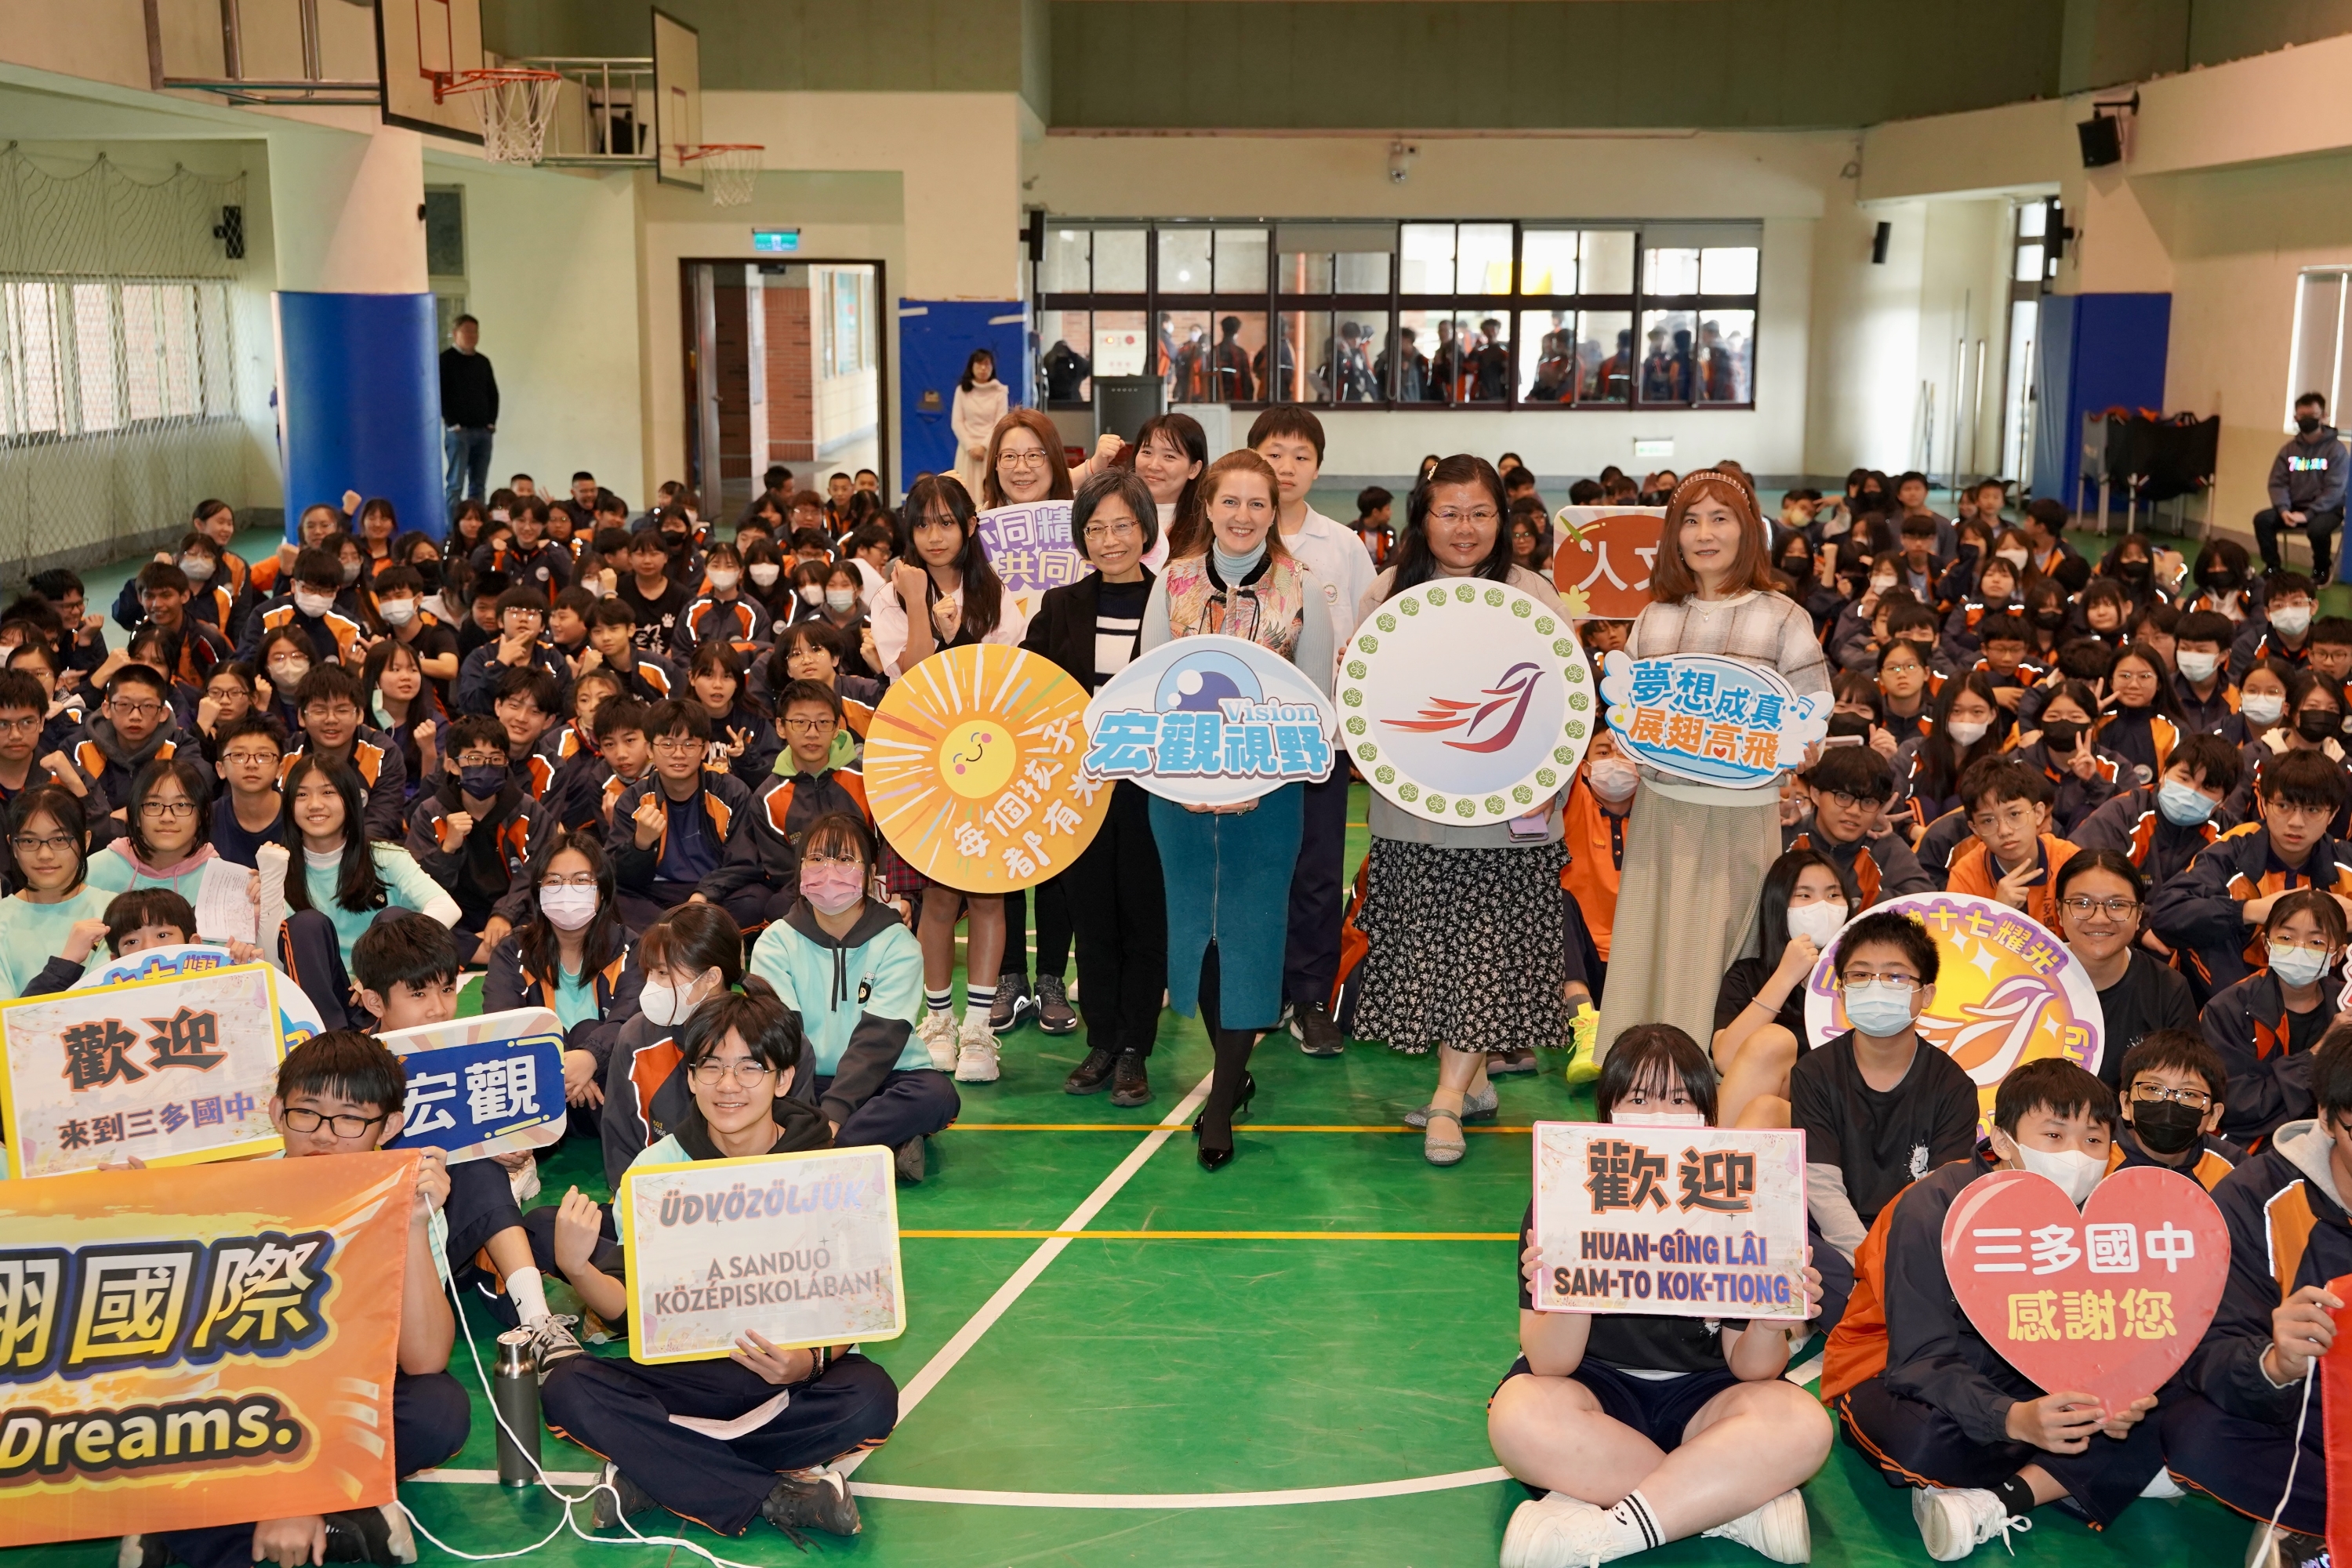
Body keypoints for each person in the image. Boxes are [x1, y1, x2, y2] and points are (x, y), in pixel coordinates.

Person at [538, 985, 898, 1544]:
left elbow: (853, 1298)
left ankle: (657, 1468)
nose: (728, 1085)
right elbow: (630, 1312)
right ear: (691, 1078)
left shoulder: (827, 1168)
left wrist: (806, 1364)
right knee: (567, 1387)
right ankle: (775, 1495)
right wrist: (578, 1267)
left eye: (751, 1068)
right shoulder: (656, 1170)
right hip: (687, 1377)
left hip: (783, 1377)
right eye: (711, 1067)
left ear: (783, 1079)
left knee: (871, 1397)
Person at [1489, 1024, 1829, 1568]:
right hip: (1594, 1391)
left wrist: (1769, 1322)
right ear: (1607, 1112)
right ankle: (1726, 1505)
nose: (1658, 1115)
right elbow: (1550, 1363)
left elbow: (1751, 1370)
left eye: (1678, 1100)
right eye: (1639, 1099)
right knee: (1518, 1417)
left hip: (1706, 1399)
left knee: (1803, 1425)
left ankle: (1609, 1527)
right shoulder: (1562, 1194)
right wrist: (1572, 1288)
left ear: (1706, 1115)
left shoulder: (1740, 1199)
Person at [138, 1032, 468, 1568]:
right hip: (243, 1402)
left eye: (350, 1119)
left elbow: (424, 1359)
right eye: (307, 1113)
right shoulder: (227, 1192)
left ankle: (192, 1527)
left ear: (389, 1127)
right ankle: (342, 1518)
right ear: (276, 1112)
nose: (324, 1135)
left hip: (345, 1400)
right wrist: (130, 1218)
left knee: (438, 1409)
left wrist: (409, 1222)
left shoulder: (408, 1198)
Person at [1824, 1058, 2160, 1559]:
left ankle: (1999, 1499)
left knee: (2159, 1408)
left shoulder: (2105, 1216)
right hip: (1897, 1367)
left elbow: (2102, 1332)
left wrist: (2114, 1396)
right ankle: (2060, 1468)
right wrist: (2012, 1419)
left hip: (2032, 1375)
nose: (2076, 1156)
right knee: (1920, 1440)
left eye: (2093, 1140)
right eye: (2053, 1135)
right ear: (2003, 1141)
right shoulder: (1932, 1206)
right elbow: (1918, 1358)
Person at [1349, 456, 1572, 1165]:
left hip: (1507, 817)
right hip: (1414, 817)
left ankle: (1447, 1098)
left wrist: (1550, 780)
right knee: (1430, 957)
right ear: (1423, 519)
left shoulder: (1532, 594)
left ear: (1503, 521)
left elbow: (1566, 702)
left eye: (1480, 513)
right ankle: (1473, 1084)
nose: (1465, 528)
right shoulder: (1389, 593)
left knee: (1485, 954)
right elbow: (1363, 701)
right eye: (1449, 513)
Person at [1141, 448, 1334, 1168]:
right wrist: (1183, 778)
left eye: (1258, 503)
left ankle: (1220, 1101)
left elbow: (1315, 706)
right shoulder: (1174, 583)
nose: (1243, 516)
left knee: (1252, 938)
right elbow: (1151, 692)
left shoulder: (1301, 586)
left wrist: (1264, 775)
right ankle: (1232, 1077)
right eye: (1230, 502)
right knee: (1198, 937)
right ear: (1208, 506)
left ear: (1273, 511)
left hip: (1269, 796)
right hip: (1180, 794)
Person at [1599, 470, 1832, 1056]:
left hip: (1741, 817)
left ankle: (1712, 1067)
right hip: (1661, 813)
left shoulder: (1783, 616)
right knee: (1652, 941)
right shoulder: (1654, 617)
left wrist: (1805, 746)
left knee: (1725, 945)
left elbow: (1813, 721)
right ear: (1674, 537)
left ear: (1747, 531)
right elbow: (1630, 715)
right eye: (1691, 521)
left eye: (1720, 519)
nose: (1705, 534)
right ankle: (1643, 1067)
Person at [2164, 1029, 2352, 1566]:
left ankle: (2310, 1527)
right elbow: (2211, 1345)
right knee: (2199, 1434)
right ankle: (2314, 1527)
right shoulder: (2256, 1197)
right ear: (2327, 1117)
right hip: (2308, 1423)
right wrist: (2275, 1362)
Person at [870, 474, 1029, 1077]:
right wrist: (917, 603)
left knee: (987, 892)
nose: (934, 535)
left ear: (969, 527)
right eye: (921, 524)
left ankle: (979, 1031)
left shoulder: (995, 594)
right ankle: (938, 1021)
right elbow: (912, 672)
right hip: (922, 760)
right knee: (936, 895)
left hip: (989, 758)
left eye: (945, 522)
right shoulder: (892, 596)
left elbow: (1006, 677)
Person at [1018, 468, 1167, 1105]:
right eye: (1097, 528)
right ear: (1082, 537)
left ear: (1145, 531)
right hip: (1078, 790)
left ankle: (1136, 1049)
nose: (1110, 540)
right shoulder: (1061, 606)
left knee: (1145, 920)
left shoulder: (1174, 603)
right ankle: (1103, 1041)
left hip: (1152, 790)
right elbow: (1025, 687)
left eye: (1123, 526)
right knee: (1092, 920)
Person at [1243, 406, 1375, 1055]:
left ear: (1318, 467)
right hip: (1249, 739)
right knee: (1258, 871)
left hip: (1322, 738)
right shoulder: (1238, 540)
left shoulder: (1342, 546)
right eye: (1274, 453)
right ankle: (1259, 991)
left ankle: (1312, 998)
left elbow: (1368, 632)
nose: (1287, 467)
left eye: (1301, 455)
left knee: (1318, 873)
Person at [746, 810, 957, 1180]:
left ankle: (818, 1149)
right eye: (816, 859)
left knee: (936, 1095)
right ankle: (881, 1146)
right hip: (804, 1079)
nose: (829, 871)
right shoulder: (775, 942)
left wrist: (832, 1118)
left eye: (845, 859)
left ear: (869, 872)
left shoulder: (897, 943)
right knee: (759, 1092)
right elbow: (783, 1038)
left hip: (885, 1075)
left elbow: (879, 1041)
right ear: (800, 870)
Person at [1792, 909, 1979, 1264]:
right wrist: (1869, 1261)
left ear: (1926, 994)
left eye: (1895, 976)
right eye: (1860, 975)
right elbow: (1821, 1188)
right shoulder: (1814, 1073)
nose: (1875, 986)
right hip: (1836, 1242)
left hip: (1914, 1241)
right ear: (1842, 991)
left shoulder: (1953, 1087)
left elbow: (1939, 1196)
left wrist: (1894, 1263)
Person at [2150, 748, 2352, 1000]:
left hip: (2320, 1002)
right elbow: (2166, 914)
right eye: (2283, 806)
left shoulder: (2346, 863)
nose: (2296, 822)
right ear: (2264, 804)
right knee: (2212, 928)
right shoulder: (2233, 850)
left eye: (2312, 810)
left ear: (2332, 814)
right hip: (2228, 999)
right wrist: (2249, 911)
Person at [275, 756, 461, 1027]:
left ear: (351, 799)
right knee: (305, 924)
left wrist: (375, 970)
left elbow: (447, 907)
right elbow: (271, 956)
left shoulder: (384, 857)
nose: (315, 804)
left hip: (379, 1000)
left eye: (328, 792)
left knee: (395, 919)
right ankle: (327, 1041)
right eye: (302, 795)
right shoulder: (277, 867)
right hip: (319, 1004)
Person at [483, 828, 642, 1131]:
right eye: (554, 881)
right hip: (538, 1083)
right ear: (538, 891)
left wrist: (591, 1057)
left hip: (607, 1085)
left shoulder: (630, 948)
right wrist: (566, 1065)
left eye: (581, 880)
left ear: (603, 890)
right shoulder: (513, 950)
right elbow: (501, 1023)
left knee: (591, 1031)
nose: (566, 890)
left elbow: (632, 1017)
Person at [692, 679, 869, 931]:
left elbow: (886, 845)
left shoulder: (866, 780)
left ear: (837, 727)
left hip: (867, 885)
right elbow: (785, 872)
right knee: (777, 907)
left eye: (823, 722)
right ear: (781, 727)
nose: (812, 733)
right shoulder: (767, 798)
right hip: (808, 892)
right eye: (800, 722)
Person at [2199, 887, 2345, 1148]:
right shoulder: (2227, 1010)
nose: (2300, 950)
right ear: (2267, 945)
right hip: (2250, 1149)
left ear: (2339, 955)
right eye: (2286, 938)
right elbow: (2237, 1105)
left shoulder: (2345, 1006)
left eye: (2316, 942)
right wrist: (2318, 1053)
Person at [1712, 848, 1846, 1131]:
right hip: (1781, 1118)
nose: (1822, 906)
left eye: (1833, 895)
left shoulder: (1862, 979)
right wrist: (1785, 977)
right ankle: (1718, 1156)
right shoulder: (1748, 976)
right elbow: (1725, 1059)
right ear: (1779, 905)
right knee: (1772, 1047)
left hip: (1843, 1115)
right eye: (1805, 895)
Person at [2051, 849, 2195, 1091]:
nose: (2099, 919)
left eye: (2117, 905)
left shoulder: (2168, 989)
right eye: (2082, 904)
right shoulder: (2026, 975)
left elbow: (2182, 1086)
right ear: (2059, 911)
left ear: (2138, 915)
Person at [2069, 731, 2241, 893]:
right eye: (2184, 778)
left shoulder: (2232, 837)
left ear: (2224, 800)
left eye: (2208, 788)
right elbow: (2078, 874)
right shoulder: (2123, 814)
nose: (2191, 792)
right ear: (2164, 773)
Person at [1783, 745, 1933, 909]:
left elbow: (1924, 901)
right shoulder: (1783, 838)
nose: (1854, 811)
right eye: (1843, 797)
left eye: (1868, 802)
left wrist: (1863, 910)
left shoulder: (1886, 848)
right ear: (1816, 794)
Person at [0, 786, 111, 995]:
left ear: (85, 841)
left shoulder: (114, 911)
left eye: (60, 840)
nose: (45, 854)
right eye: (29, 841)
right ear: (13, 846)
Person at [2110, 1028, 2243, 1185]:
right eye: (2153, 1089)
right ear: (2125, 1103)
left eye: (2189, 1094)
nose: (2169, 1104)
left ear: (2214, 1116)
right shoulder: (2096, 1157)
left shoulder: (2237, 1173)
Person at [2257, 391, 2349, 579]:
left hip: (2327, 510)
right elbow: (2278, 483)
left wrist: (2308, 514)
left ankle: (2321, 569)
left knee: (2317, 530)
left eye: (2312, 415)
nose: (2306, 420)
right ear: (2295, 418)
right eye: (2302, 416)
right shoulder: (2289, 450)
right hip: (2293, 507)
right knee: (2262, 520)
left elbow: (2334, 490)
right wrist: (2283, 509)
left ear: (2323, 416)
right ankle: (2273, 567)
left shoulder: (2336, 450)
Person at [441, 313, 498, 507]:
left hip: (483, 431)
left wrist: (491, 422)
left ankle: (478, 522)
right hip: (459, 432)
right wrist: (452, 423)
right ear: (455, 333)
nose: (472, 336)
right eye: (467, 331)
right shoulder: (445, 360)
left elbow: (493, 393)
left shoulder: (483, 362)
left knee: (479, 486)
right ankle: (453, 524)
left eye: (475, 332)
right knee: (455, 485)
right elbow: (440, 395)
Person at [949, 347, 1007, 501]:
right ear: (971, 366)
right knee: (964, 492)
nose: (983, 368)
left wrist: (983, 447)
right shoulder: (962, 390)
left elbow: (1000, 422)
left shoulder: (1000, 391)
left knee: (988, 493)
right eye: (979, 364)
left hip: (989, 449)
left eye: (987, 364)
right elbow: (957, 422)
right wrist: (971, 447)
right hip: (967, 451)